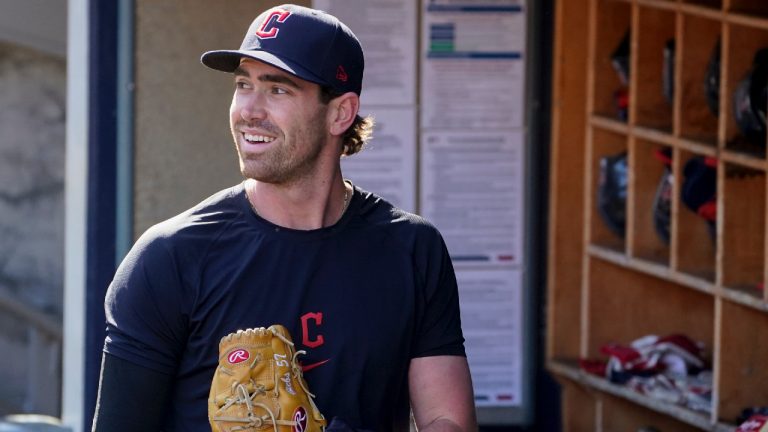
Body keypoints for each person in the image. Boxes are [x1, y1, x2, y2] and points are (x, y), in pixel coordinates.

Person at [91, 4, 477, 432]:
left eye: (278, 90)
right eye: (243, 85)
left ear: (340, 113)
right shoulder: (171, 258)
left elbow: (448, 419)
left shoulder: (411, 249)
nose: (249, 110)